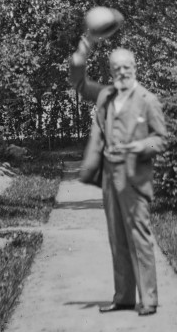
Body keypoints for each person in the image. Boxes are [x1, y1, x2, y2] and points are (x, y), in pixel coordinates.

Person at [68, 32, 170, 316]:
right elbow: (78, 83)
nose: (122, 72)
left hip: (134, 178)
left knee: (139, 237)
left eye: (127, 67)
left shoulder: (148, 100)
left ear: (135, 68)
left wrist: (136, 147)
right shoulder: (105, 96)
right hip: (111, 178)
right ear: (111, 71)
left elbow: (160, 139)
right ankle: (123, 297)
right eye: (116, 68)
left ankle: (148, 299)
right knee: (116, 237)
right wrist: (83, 49)